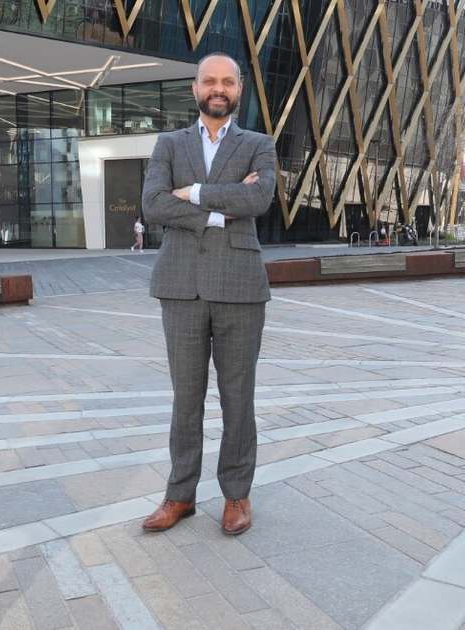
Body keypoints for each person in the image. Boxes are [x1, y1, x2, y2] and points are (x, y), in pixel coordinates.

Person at [140, 52, 277, 536]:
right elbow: (152, 204)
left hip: (240, 287)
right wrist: (223, 205)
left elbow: (259, 199)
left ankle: (236, 495)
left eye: (227, 82)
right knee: (186, 399)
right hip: (180, 286)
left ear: (239, 89)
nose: (218, 88)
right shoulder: (169, 143)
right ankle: (180, 496)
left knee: (238, 397)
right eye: (209, 81)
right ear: (195, 88)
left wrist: (194, 192)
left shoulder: (260, 144)